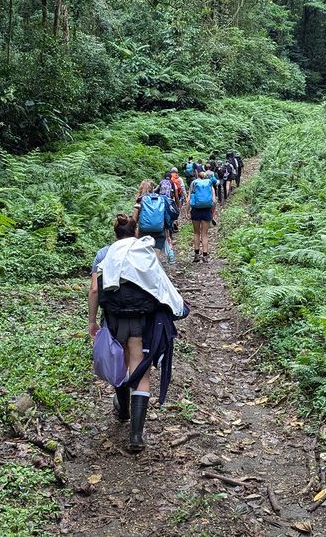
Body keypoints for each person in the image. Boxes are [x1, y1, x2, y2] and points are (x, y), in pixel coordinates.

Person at [88, 215, 187, 451]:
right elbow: (156, 284)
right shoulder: (144, 250)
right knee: (139, 369)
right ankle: (136, 436)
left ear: (115, 234)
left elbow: (94, 290)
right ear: (135, 232)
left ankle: (122, 410)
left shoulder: (104, 253)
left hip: (114, 319)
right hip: (142, 320)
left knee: (120, 365)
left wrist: (92, 322)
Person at [133, 180, 172, 252]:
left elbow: (134, 220)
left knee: (144, 256)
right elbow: (166, 217)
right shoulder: (161, 199)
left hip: (144, 232)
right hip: (159, 231)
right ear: (153, 188)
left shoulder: (140, 200)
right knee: (156, 258)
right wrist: (168, 235)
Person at [188, 170, 217, 262]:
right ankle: (205, 255)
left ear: (198, 177)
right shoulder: (210, 186)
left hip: (196, 210)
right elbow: (214, 201)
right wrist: (213, 212)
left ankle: (196, 255)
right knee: (204, 234)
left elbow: (189, 199)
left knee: (196, 233)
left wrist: (187, 211)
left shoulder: (194, 184)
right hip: (207, 211)